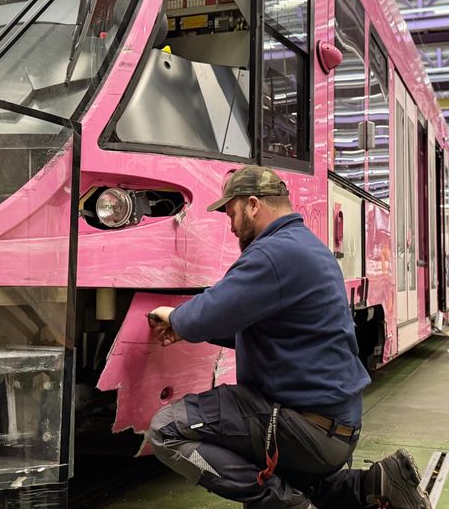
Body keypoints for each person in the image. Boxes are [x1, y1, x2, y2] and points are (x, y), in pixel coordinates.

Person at [146, 166, 431, 509]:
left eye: (232, 213)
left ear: (253, 205)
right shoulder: (307, 246)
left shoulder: (272, 253)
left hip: (308, 428)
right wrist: (185, 330)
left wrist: (175, 317)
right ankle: (373, 485)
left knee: (166, 430)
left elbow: (211, 310)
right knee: (266, 459)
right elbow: (268, 333)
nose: (231, 225)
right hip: (333, 428)